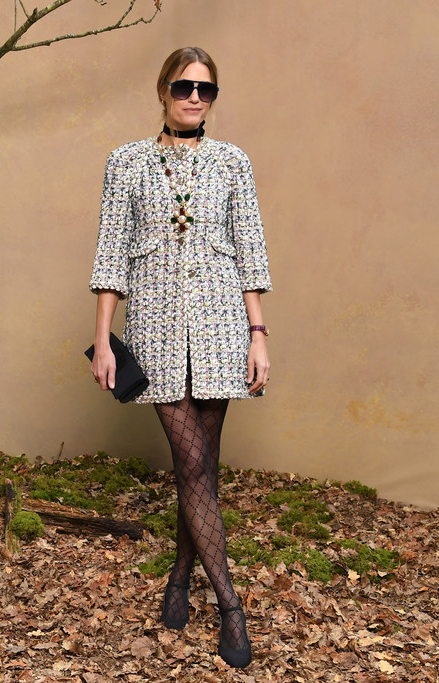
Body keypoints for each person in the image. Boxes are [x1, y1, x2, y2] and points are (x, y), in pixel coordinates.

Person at [88, 47, 271, 669]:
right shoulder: (126, 162)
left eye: (206, 89)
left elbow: (250, 250)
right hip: (157, 328)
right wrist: (105, 339)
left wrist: (258, 334)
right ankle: (231, 605)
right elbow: (110, 253)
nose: (195, 97)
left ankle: (179, 575)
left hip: (221, 329)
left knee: (202, 471)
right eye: (184, 86)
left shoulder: (233, 162)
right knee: (192, 463)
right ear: (162, 90)